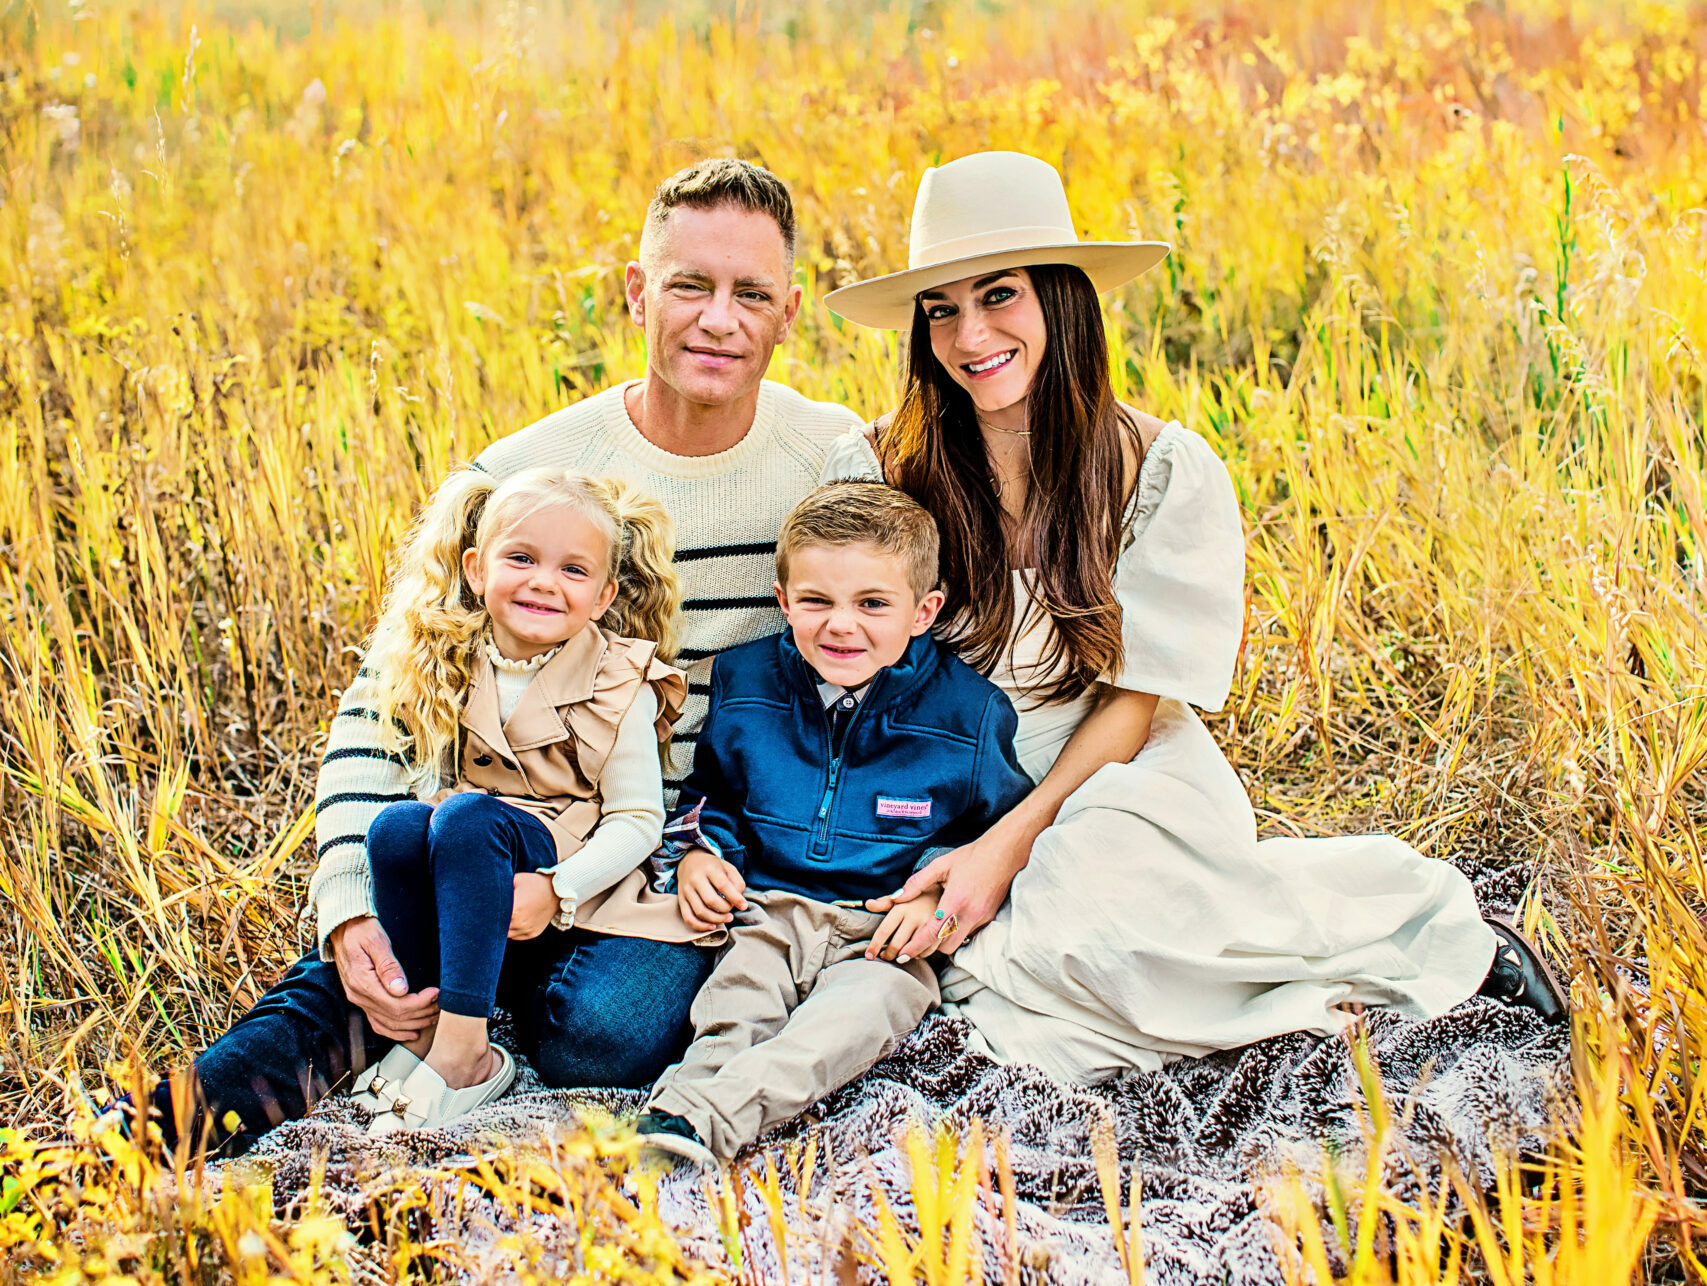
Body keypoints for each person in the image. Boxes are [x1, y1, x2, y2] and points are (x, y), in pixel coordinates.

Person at [146, 158, 877, 1155]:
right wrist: (349, 900)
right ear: (636, 290)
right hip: (496, 820)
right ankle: (157, 1131)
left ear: (790, 312)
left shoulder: (828, 460)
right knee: (365, 971)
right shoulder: (528, 478)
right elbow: (382, 705)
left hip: (661, 852)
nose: (720, 320)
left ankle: (477, 987)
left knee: (603, 1030)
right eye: (688, 285)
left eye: (751, 293)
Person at [821, 151, 1566, 1087]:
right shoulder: (882, 465)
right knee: (991, 988)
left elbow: (1135, 707)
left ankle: (1416, 921)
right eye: (941, 306)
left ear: (1061, 299)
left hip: (1115, 767)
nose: (971, 334)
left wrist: (1004, 853)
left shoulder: (1160, 468)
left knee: (1102, 940)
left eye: (999, 295)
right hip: (953, 769)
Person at [635, 483, 1032, 1165]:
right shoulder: (746, 679)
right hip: (764, 909)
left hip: (881, 931)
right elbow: (711, 792)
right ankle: (671, 1120)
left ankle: (703, 1123)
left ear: (922, 611)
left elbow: (995, 835)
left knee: (842, 1028)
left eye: (872, 604)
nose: (840, 625)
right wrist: (699, 853)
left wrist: (936, 898)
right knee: (732, 1011)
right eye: (815, 601)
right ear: (783, 599)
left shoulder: (969, 715)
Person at [340, 465, 703, 1135]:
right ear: (477, 570)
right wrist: (435, 803)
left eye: (572, 570)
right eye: (521, 558)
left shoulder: (622, 677)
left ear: (601, 596)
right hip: (481, 848)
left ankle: (467, 1054)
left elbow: (637, 820)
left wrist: (559, 889)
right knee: (395, 828)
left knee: (471, 819)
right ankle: (423, 1032)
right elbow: (427, 766)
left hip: (576, 863)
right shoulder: (451, 656)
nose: (542, 581)